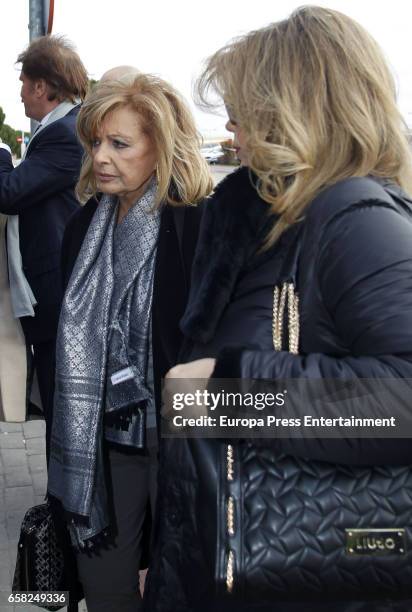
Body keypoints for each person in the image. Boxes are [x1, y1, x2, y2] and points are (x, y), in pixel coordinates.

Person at [143, 6, 412, 612]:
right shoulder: (272, 216)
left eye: (242, 111)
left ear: (295, 106)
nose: (231, 131)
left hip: (310, 568)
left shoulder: (356, 219)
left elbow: (403, 399)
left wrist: (227, 392)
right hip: (242, 561)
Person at [47, 73, 213, 612]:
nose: (101, 157)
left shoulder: (196, 225)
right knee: (105, 585)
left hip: (180, 443)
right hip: (103, 443)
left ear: (161, 147)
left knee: (180, 586)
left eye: (120, 144)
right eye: (95, 142)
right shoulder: (81, 226)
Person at [0, 35, 88, 450]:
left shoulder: (65, 134)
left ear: (41, 85)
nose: (18, 95)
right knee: (54, 402)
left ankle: (66, 506)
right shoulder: (59, 130)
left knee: (60, 404)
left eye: (22, 82)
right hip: (55, 288)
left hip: (58, 290)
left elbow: (10, 192)